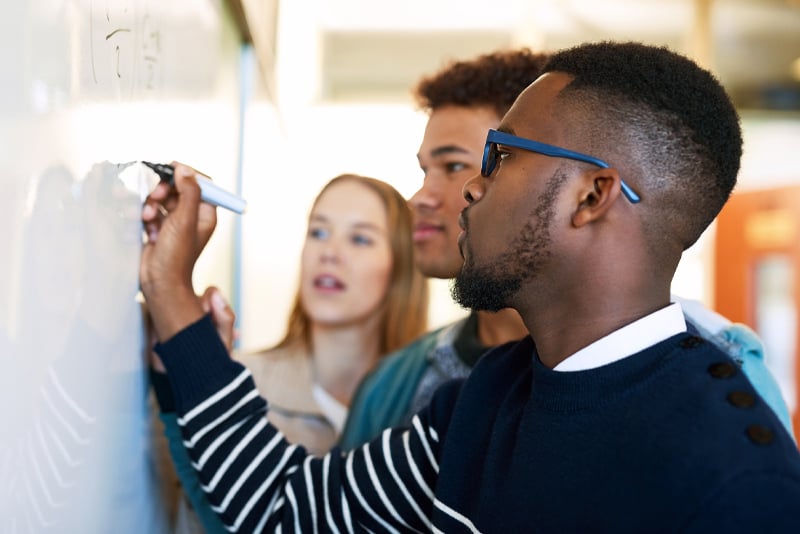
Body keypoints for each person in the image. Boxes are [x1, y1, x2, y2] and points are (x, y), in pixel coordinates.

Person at [141, 41, 800, 532]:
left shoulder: (737, 483)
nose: (472, 189)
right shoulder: (485, 399)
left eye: (502, 156)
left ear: (593, 195)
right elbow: (281, 505)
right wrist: (173, 296)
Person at [340, 47, 793, 449]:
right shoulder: (415, 388)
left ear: (589, 194)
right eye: (424, 171)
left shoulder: (723, 394)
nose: (423, 197)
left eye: (486, 159)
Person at [150, 173, 429, 532]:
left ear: (402, 266)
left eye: (360, 238)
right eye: (318, 232)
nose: (330, 253)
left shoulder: (426, 401)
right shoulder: (237, 383)